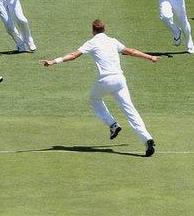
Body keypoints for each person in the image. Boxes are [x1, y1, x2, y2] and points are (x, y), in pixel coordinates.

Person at [41, 19, 158, 156]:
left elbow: (73, 56)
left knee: (94, 99)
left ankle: (112, 124)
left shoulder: (92, 42)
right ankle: (147, 139)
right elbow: (131, 51)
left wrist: (54, 61)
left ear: (93, 30)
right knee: (130, 111)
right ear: (104, 29)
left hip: (105, 80)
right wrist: (150, 57)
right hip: (120, 80)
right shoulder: (113, 41)